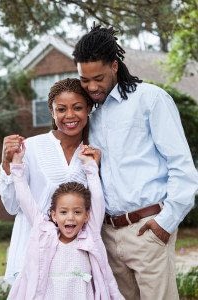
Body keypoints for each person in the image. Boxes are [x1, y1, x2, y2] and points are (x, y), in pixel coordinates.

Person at [72, 24, 198, 300]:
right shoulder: (91, 114)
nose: (92, 87)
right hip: (107, 233)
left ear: (114, 66)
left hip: (147, 229)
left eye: (99, 78)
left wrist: (165, 222)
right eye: (85, 80)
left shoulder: (150, 99)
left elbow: (183, 166)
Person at [0, 78, 95, 284]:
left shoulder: (92, 153)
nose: (69, 115)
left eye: (77, 107)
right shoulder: (31, 148)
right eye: (61, 109)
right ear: (52, 112)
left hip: (73, 256)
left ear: (88, 109)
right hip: (32, 251)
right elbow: (13, 206)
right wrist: (7, 164)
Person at [7, 142, 123, 299]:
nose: (70, 217)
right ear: (54, 215)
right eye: (63, 212)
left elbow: (97, 198)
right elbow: (25, 199)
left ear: (87, 215)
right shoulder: (44, 234)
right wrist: (16, 166)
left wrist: (90, 167)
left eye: (77, 212)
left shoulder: (90, 235)